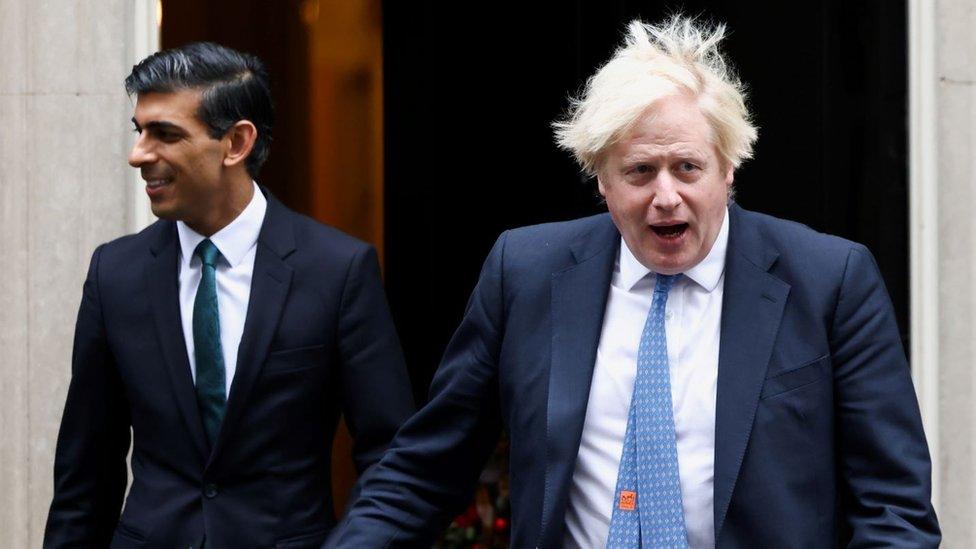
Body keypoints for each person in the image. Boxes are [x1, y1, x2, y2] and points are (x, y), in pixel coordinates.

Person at [329, 16, 940, 548]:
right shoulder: (527, 271)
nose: (665, 197)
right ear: (602, 180)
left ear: (729, 168)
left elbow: (893, 507)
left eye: (688, 167)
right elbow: (427, 466)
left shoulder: (830, 279)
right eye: (640, 171)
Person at [43, 42, 414, 548]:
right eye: (139, 132)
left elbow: (390, 457)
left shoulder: (337, 271)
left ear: (236, 143)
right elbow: (86, 472)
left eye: (165, 134)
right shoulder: (115, 273)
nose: (138, 155)